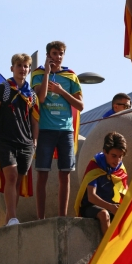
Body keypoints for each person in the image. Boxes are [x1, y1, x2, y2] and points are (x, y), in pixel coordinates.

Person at [31, 41, 84, 219]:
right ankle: (40, 218)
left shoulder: (71, 76)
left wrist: (62, 92)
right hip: (45, 130)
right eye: (54, 53)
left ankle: (62, 216)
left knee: (65, 174)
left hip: (66, 131)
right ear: (48, 55)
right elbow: (42, 98)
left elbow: (80, 105)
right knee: (43, 174)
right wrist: (47, 72)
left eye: (60, 53)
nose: (58, 57)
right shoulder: (37, 74)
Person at [0, 53, 39, 226]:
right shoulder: (3, 89)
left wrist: (34, 141)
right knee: (11, 176)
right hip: (5, 141)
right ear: (12, 68)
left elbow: (34, 120)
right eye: (19, 65)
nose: (22, 69)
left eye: (25, 66)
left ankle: (10, 219)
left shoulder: (31, 94)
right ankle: (14, 218)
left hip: (25, 143)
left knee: (17, 182)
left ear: (29, 69)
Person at [75, 132, 128, 235]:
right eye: (114, 156)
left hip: (112, 206)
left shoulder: (120, 169)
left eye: (120, 156)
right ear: (105, 152)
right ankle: (107, 248)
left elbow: (124, 194)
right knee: (104, 214)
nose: (117, 160)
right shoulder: (95, 165)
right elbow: (91, 197)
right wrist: (111, 207)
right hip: (91, 207)